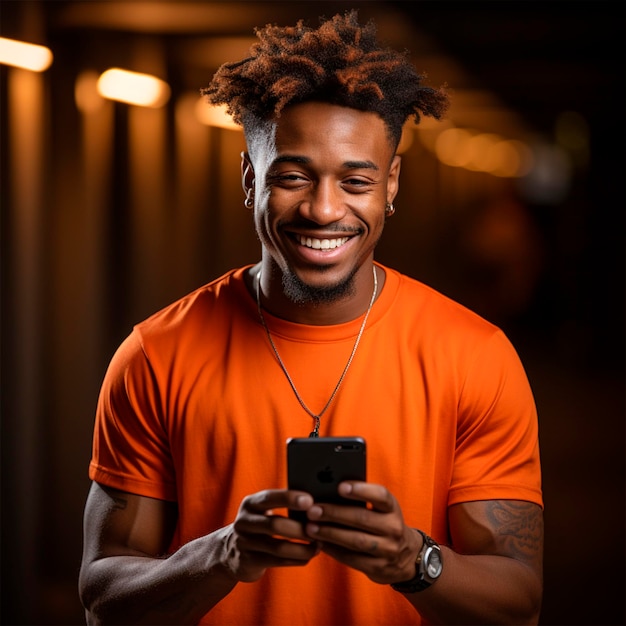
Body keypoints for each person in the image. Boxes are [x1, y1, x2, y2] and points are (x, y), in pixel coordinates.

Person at [79, 11, 543, 625]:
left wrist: (414, 560)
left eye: (356, 180)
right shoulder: (155, 355)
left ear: (392, 184)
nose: (324, 210)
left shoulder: (475, 356)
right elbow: (102, 601)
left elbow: (520, 605)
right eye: (293, 177)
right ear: (250, 179)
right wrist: (222, 555)